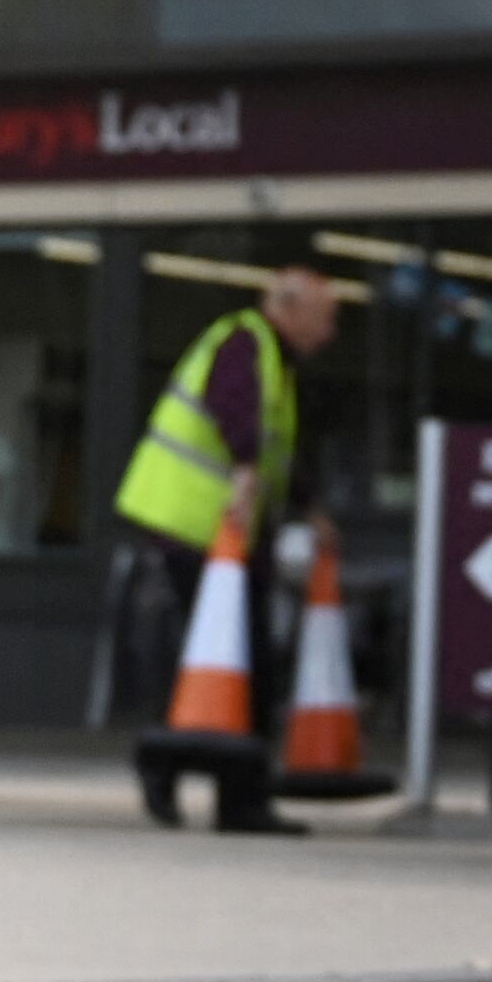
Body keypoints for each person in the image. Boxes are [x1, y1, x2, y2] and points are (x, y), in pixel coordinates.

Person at [112, 263, 340, 829]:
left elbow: (277, 452)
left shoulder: (276, 362)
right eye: (325, 317)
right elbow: (236, 417)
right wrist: (242, 473)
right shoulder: (244, 343)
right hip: (198, 529)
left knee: (229, 664)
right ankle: (214, 788)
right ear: (289, 309)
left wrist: (307, 508)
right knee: (229, 664)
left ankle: (221, 789)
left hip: (230, 539)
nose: (330, 332)